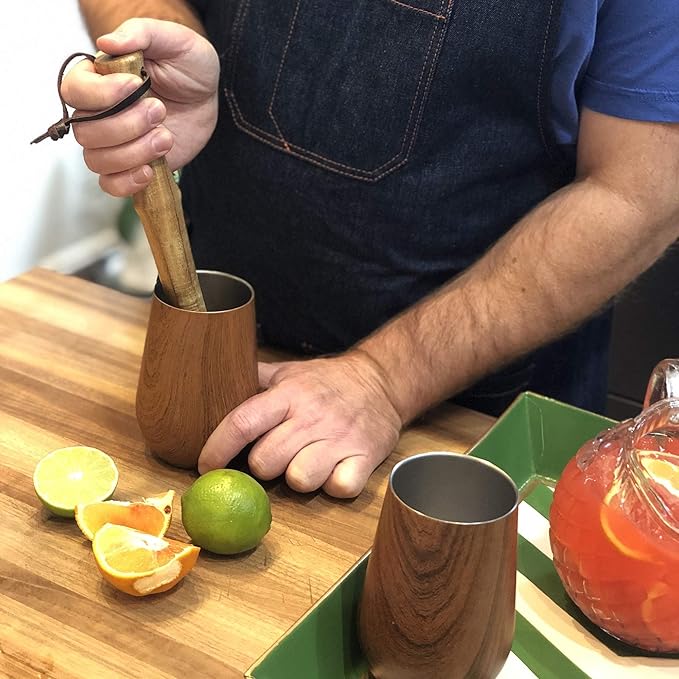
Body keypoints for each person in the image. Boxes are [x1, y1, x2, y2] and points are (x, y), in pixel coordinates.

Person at [62, 1, 679, 498]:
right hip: (213, 363)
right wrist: (164, 48)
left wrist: (384, 378)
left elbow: (637, 194)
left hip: (463, 431)